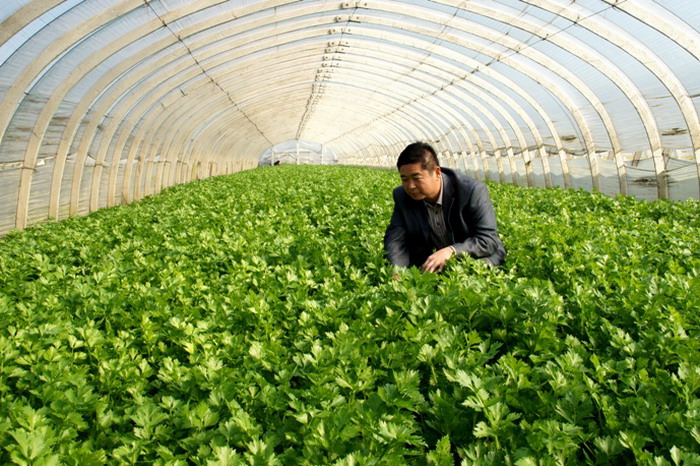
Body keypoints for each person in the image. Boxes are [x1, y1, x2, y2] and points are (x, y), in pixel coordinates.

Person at [384, 142, 506, 273]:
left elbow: (487, 240)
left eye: (416, 178)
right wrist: (397, 271)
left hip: (476, 257)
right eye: (405, 179)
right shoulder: (402, 196)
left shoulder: (471, 191)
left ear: (437, 172)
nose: (410, 186)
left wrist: (451, 251)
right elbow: (395, 240)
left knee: (472, 273)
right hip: (432, 260)